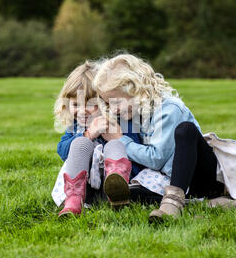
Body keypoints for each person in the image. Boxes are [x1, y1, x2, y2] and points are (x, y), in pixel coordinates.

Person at [93, 53, 226, 222]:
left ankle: (176, 203)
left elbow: (156, 159)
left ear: (136, 90)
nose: (112, 109)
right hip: (168, 178)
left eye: (116, 102)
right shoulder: (134, 113)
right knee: (126, 194)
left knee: (186, 130)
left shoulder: (169, 108)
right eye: (108, 103)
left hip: (200, 176)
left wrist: (120, 140)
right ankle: (203, 204)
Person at [53, 60, 143, 217]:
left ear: (104, 102)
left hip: (118, 183)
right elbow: (62, 150)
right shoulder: (76, 127)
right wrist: (88, 135)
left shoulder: (120, 121)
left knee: (115, 145)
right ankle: (73, 200)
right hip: (86, 187)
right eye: (75, 104)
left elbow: (135, 150)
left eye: (89, 104)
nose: (82, 111)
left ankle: (117, 189)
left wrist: (118, 137)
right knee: (79, 143)